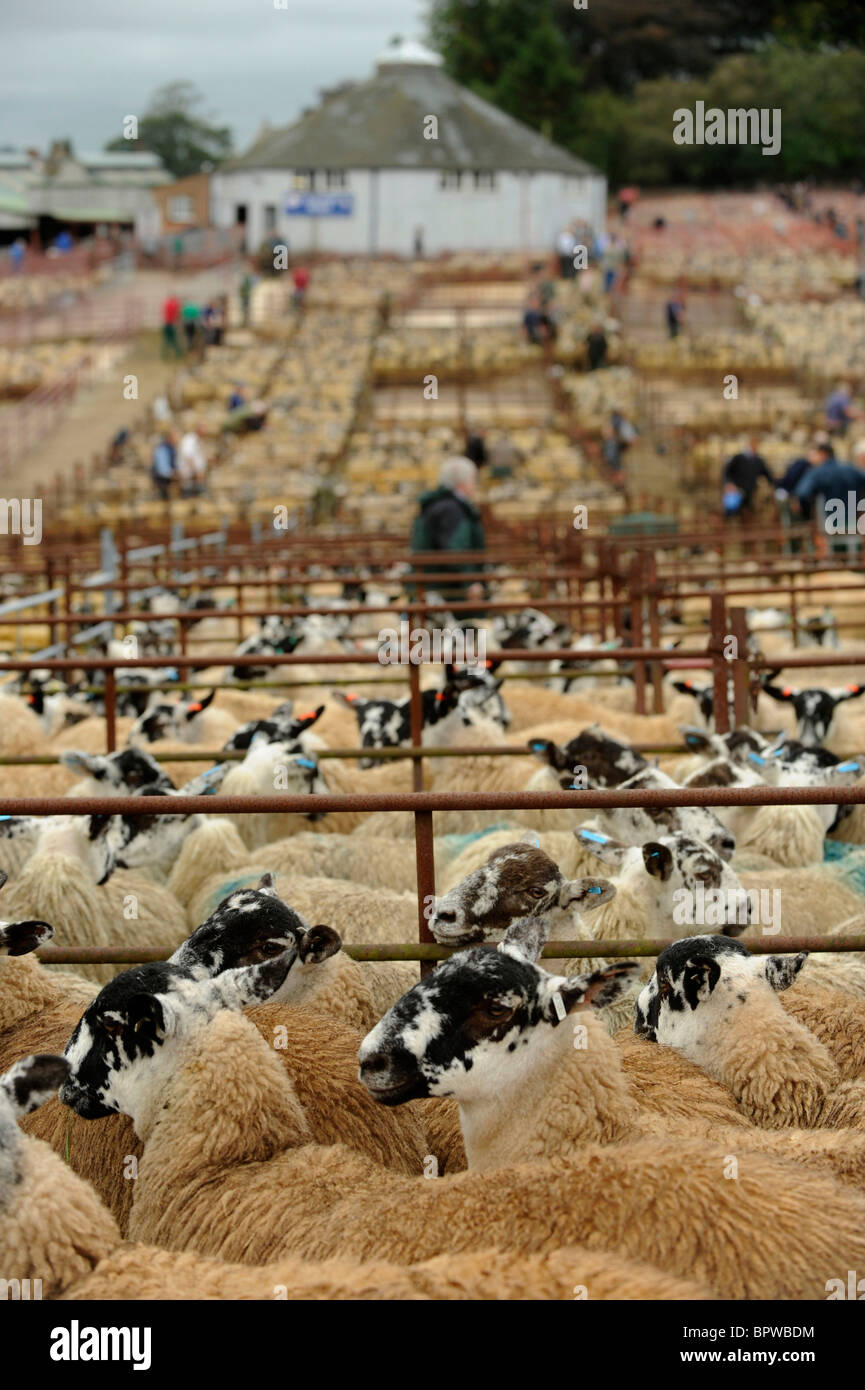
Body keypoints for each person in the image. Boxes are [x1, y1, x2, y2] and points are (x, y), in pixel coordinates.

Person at [411, 456, 485, 604]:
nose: (474, 484)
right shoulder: (452, 509)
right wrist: (470, 582)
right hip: (448, 588)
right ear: (461, 482)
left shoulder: (436, 505)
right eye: (472, 479)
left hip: (432, 583)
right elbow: (457, 549)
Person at [722, 437, 774, 518]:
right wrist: (728, 483)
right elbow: (727, 472)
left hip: (750, 491)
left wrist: (777, 485)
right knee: (732, 512)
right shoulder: (737, 458)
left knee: (748, 513)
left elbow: (768, 475)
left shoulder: (758, 461)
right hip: (736, 490)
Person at [176, 425, 208, 497]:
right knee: (188, 492)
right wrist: (196, 470)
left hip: (195, 474)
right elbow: (187, 456)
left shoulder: (198, 440)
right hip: (189, 473)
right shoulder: (189, 439)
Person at [151, 432, 176, 501]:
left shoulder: (172, 448)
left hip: (169, 477)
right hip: (162, 479)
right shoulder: (161, 449)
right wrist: (172, 474)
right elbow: (162, 469)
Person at [161, 294, 182, 358]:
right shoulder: (175, 304)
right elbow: (177, 314)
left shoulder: (166, 304)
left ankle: (164, 354)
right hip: (172, 324)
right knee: (174, 340)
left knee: (166, 340)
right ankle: (178, 354)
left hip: (166, 323)